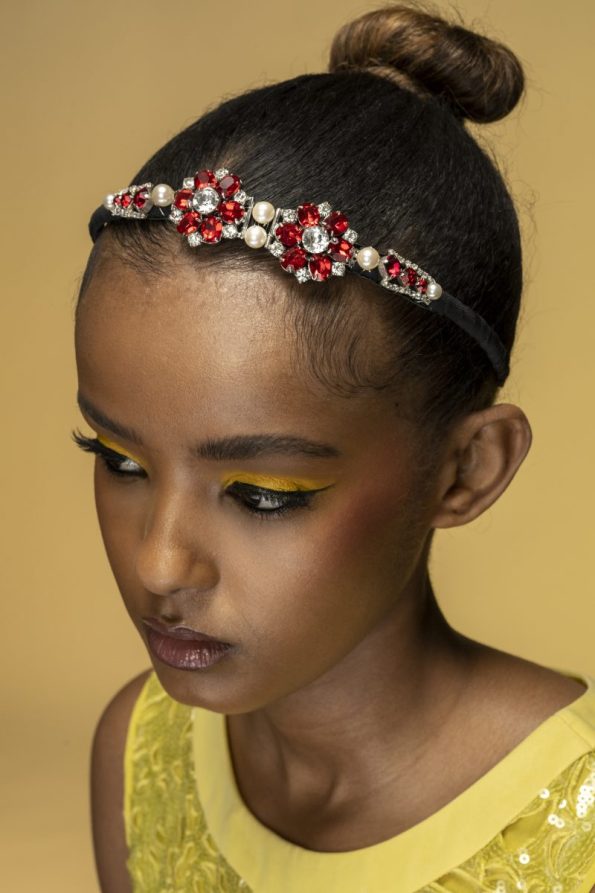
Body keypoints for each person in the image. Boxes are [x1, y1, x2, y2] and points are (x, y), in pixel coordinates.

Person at [73, 3, 595, 891]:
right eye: (121, 461)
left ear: (467, 469)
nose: (159, 563)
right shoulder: (141, 755)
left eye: (263, 492)